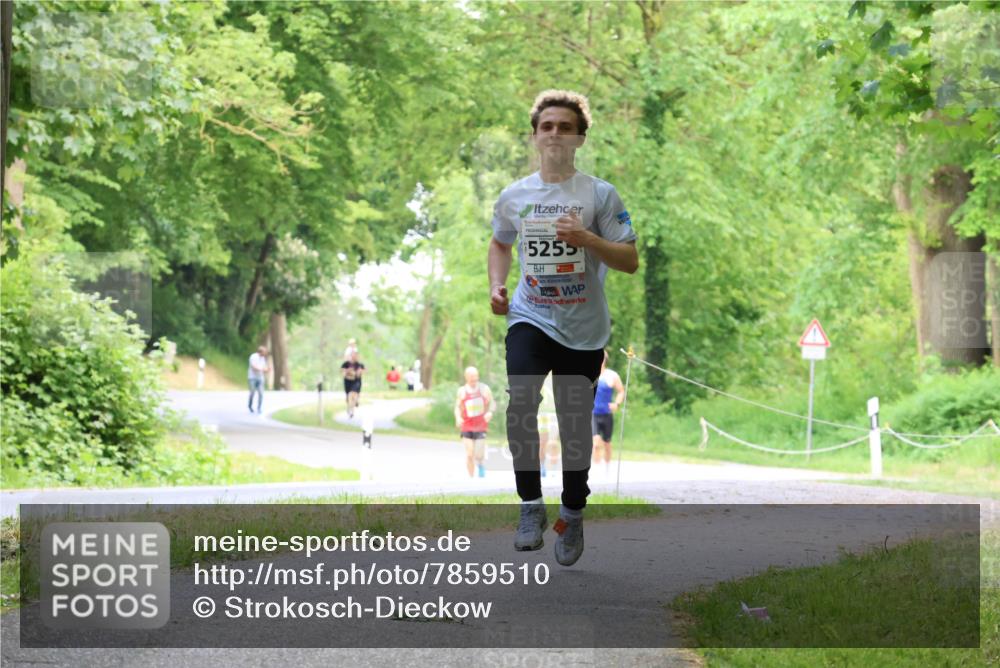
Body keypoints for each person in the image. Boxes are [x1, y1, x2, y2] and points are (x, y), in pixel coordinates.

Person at [488, 90, 638, 566]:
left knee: (575, 426)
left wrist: (587, 238)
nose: (555, 133)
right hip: (530, 315)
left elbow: (630, 260)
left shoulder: (599, 194)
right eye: (546, 125)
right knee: (522, 401)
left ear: (579, 138)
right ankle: (530, 505)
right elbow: (499, 244)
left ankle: (572, 512)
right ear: (534, 136)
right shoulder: (515, 195)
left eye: (565, 127)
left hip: (584, 326)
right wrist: (497, 285)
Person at [454, 366, 496, 478]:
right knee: (469, 454)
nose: (475, 378)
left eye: (476, 376)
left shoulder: (484, 389)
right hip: (467, 426)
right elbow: (457, 407)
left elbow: (492, 403)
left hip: (481, 426)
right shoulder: (462, 391)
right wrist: (458, 417)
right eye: (472, 376)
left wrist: (490, 412)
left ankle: (481, 464)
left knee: (478, 454)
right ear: (466, 377)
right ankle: (472, 480)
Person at [592, 350, 625, 477]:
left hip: (606, 414)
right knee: (595, 442)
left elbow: (621, 391)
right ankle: (595, 469)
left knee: (607, 443)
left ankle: (607, 468)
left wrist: (616, 404)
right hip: (592, 413)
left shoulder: (612, 375)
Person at [340, 351, 365, 418]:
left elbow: (363, 371)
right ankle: (349, 408)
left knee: (353, 395)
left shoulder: (359, 365)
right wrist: (348, 371)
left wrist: (359, 372)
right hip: (348, 382)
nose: (354, 357)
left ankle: (352, 411)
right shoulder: (346, 364)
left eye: (356, 356)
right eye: (353, 355)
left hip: (356, 382)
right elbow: (342, 371)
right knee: (349, 396)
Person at [247, 346, 270, 414]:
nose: (265, 354)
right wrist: (263, 369)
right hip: (252, 377)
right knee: (252, 392)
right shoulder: (253, 357)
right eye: (264, 352)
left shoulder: (263, 358)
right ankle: (250, 406)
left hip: (260, 378)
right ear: (261, 351)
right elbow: (254, 367)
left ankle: (259, 408)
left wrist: (267, 370)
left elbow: (264, 367)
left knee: (261, 393)